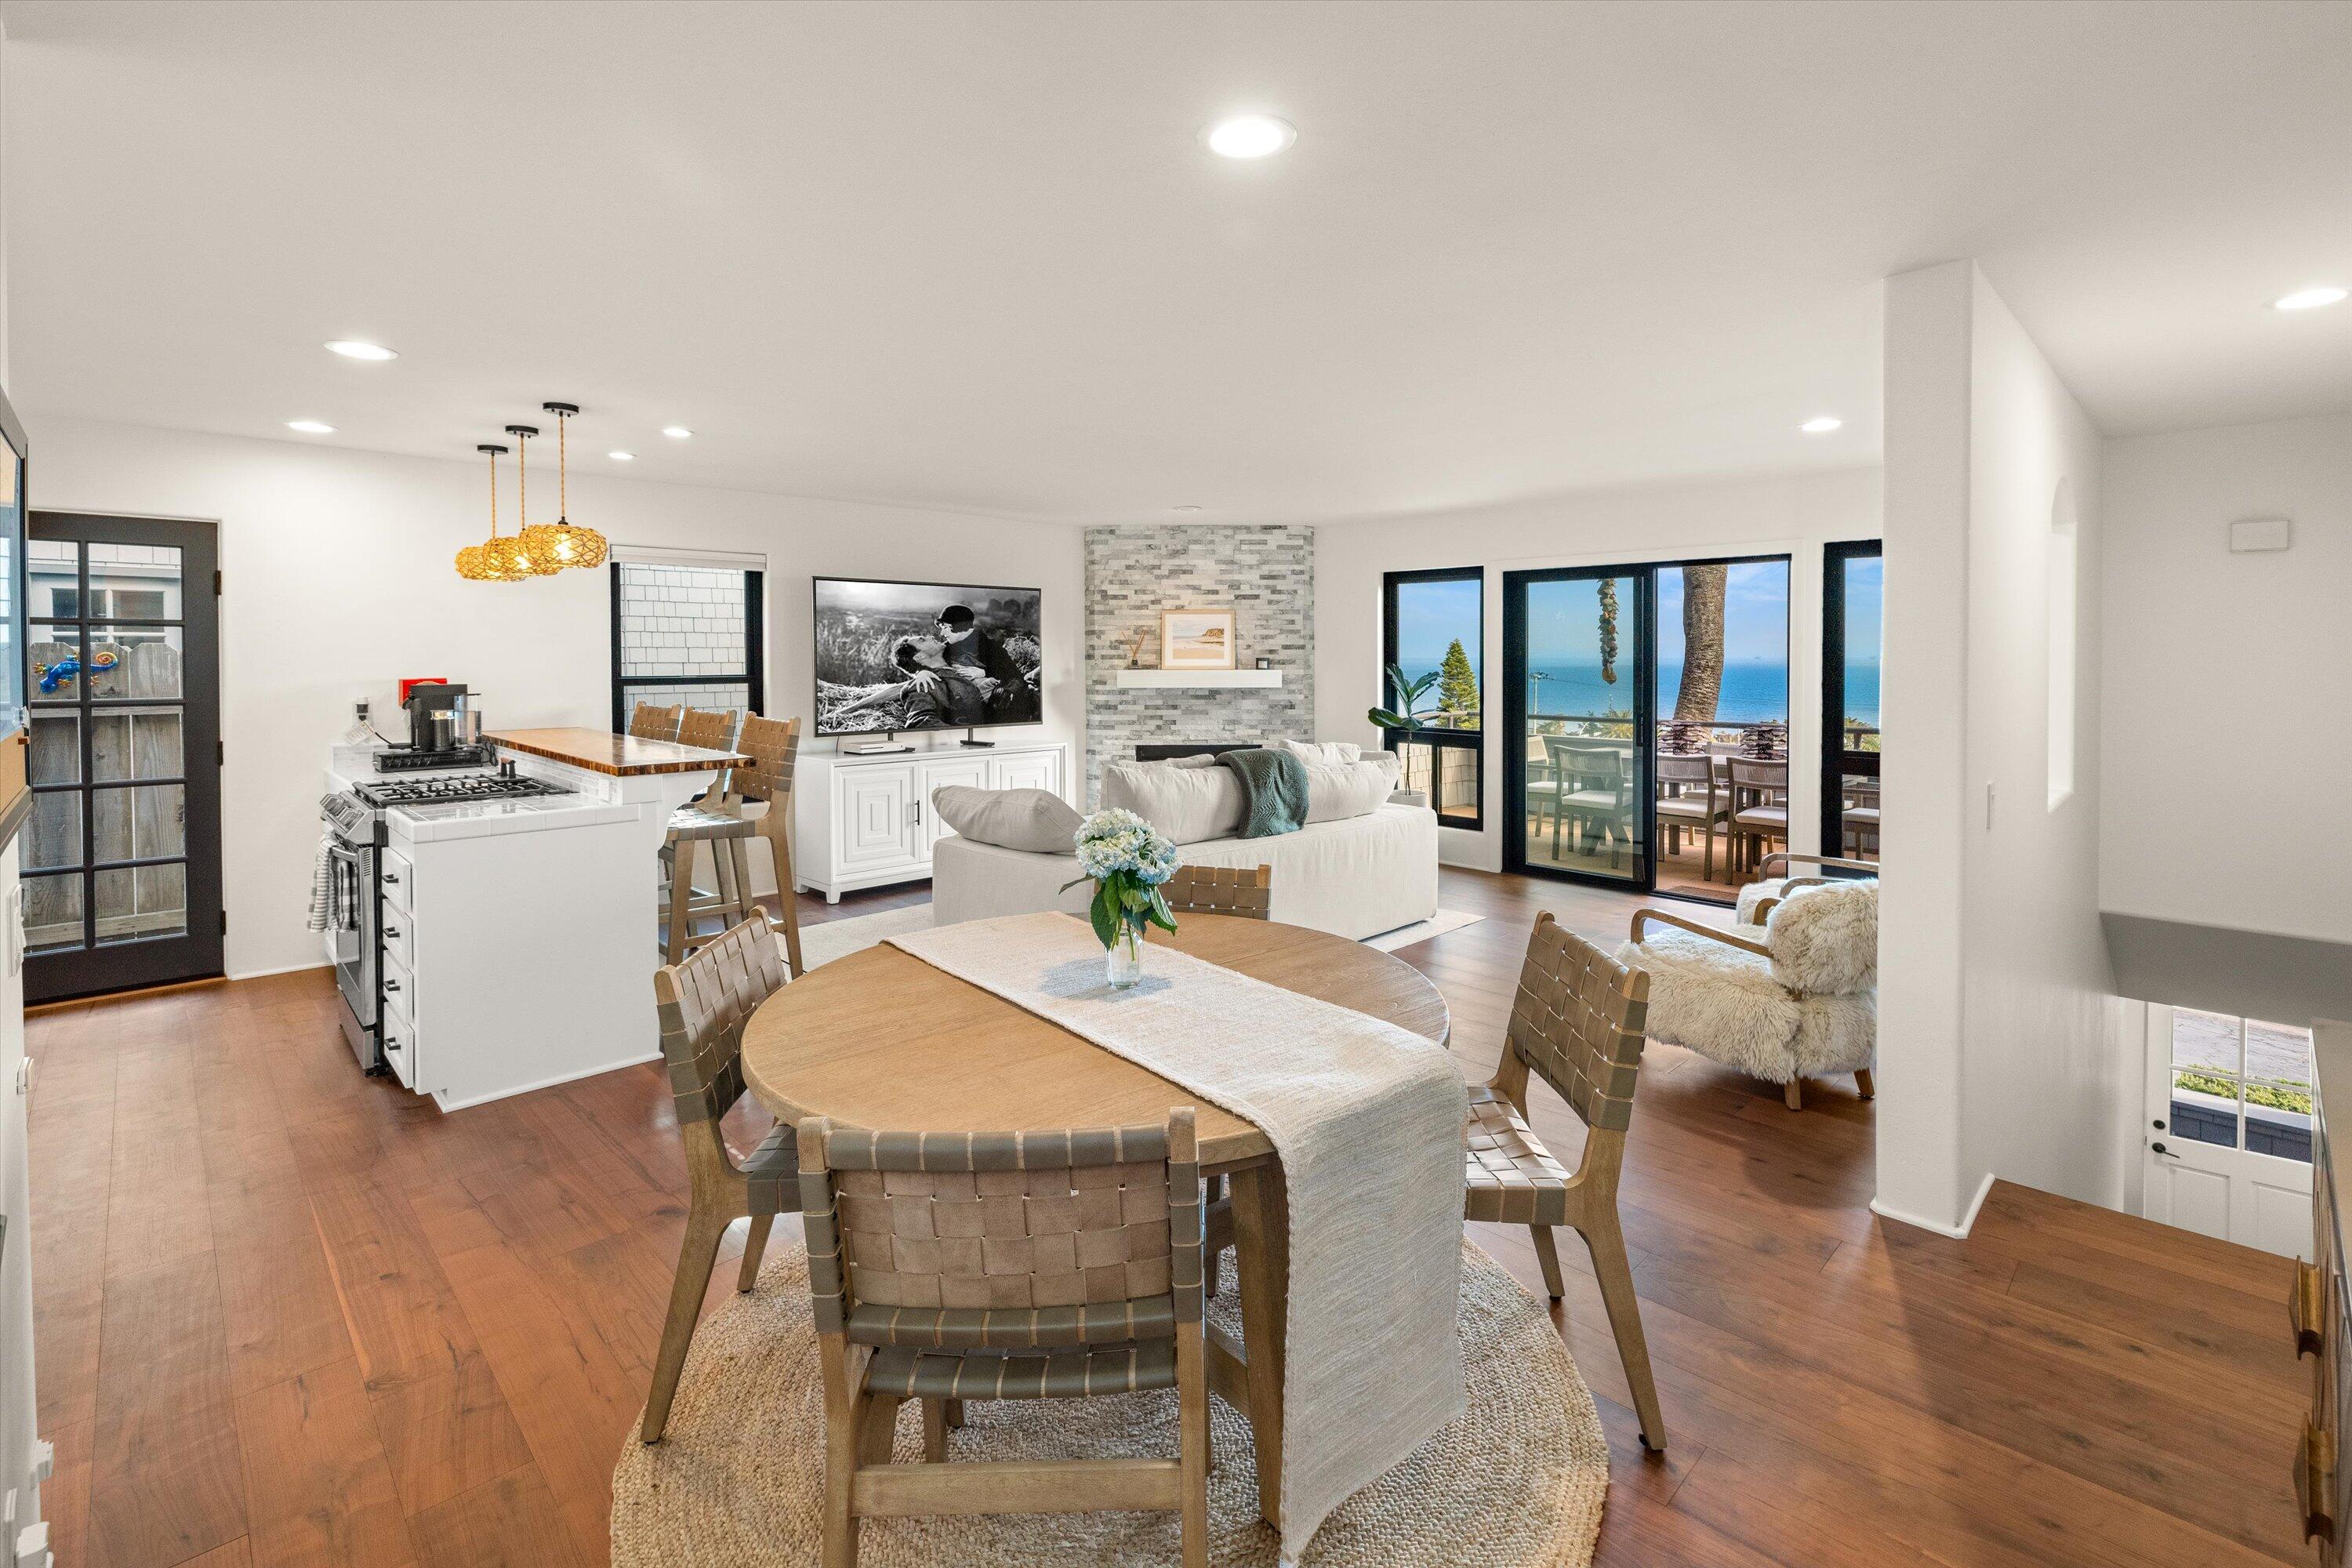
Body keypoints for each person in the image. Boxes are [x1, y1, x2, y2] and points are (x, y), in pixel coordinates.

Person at [833, 637, 989, 728]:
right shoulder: (924, 685)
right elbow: (921, 722)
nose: (930, 636)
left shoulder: (961, 658)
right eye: (923, 640)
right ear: (919, 657)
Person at [934, 604, 1031, 720]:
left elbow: (1016, 678)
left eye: (945, 627)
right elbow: (921, 662)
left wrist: (985, 673)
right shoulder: (944, 649)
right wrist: (922, 673)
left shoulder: (992, 648)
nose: (942, 634)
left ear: (959, 625)